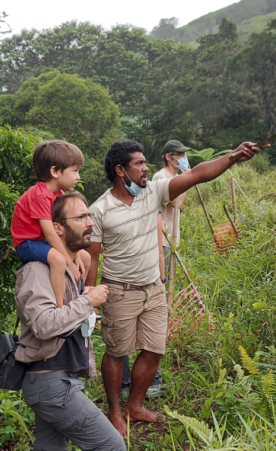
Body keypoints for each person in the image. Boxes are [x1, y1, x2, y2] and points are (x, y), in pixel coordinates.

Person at [86, 139, 265, 436]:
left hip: (153, 288)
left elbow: (197, 175)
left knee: (154, 350)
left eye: (145, 163)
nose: (146, 168)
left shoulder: (153, 192)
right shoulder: (100, 210)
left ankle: (135, 405)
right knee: (117, 353)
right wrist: (90, 299)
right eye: (139, 164)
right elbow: (92, 259)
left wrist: (232, 156)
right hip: (120, 290)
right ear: (120, 170)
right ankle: (115, 411)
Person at [14, 193, 125, 451]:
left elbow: (62, 318)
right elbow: (44, 325)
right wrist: (88, 303)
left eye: (89, 216)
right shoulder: (37, 269)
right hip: (52, 383)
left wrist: (84, 315)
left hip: (58, 380)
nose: (89, 223)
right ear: (57, 228)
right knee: (111, 446)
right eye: (81, 217)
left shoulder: (74, 266)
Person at [120, 140, 191, 398]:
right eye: (180, 155)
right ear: (169, 156)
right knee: (136, 328)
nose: (183, 158)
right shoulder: (159, 181)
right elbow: (175, 203)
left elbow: (180, 206)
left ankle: (145, 383)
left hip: (164, 245)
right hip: (156, 247)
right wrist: (186, 176)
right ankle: (133, 385)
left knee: (150, 325)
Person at [11, 140, 89, 308]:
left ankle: (77, 295)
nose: (78, 176)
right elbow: (50, 233)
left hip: (41, 240)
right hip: (28, 243)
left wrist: (77, 255)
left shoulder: (57, 193)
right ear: (54, 171)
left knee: (86, 256)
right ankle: (60, 306)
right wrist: (70, 263)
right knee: (59, 260)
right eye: (74, 171)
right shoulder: (41, 195)